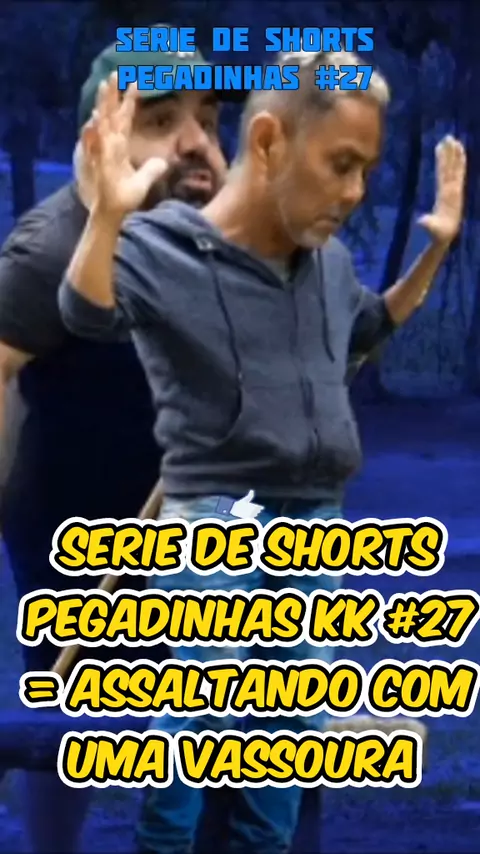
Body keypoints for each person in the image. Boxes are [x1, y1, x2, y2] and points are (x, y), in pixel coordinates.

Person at [58, 49, 466, 854]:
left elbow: (372, 326)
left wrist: (437, 249)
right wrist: (105, 219)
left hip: (314, 516)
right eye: (341, 165)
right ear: (272, 142)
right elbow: (86, 309)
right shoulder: (169, 246)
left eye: (367, 171)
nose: (356, 193)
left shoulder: (330, 265)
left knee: (292, 721)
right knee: (201, 703)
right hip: (217, 511)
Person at [0, 29, 231, 854]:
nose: (196, 142)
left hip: (200, 522)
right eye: (161, 120)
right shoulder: (54, 248)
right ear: (103, 136)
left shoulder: (220, 234)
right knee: (68, 724)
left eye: (207, 119)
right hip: (74, 524)